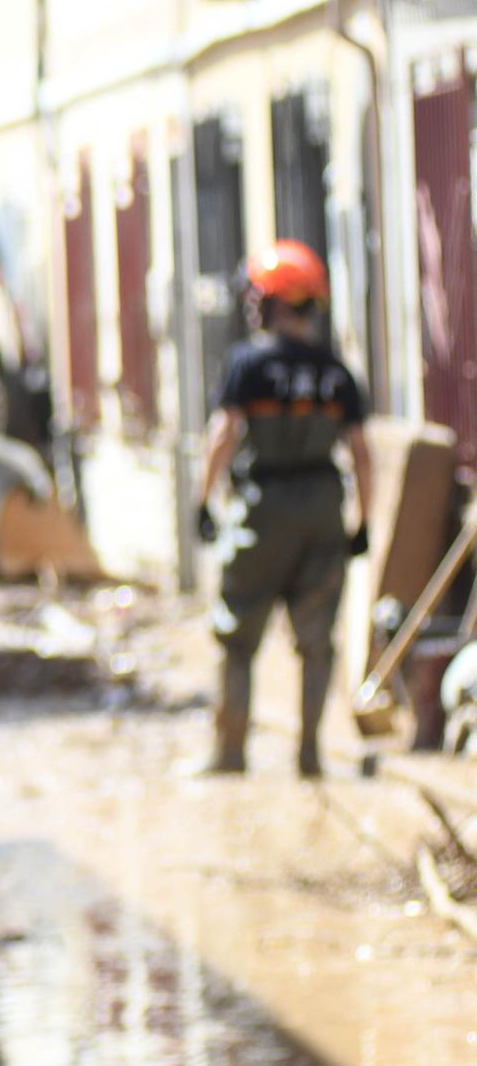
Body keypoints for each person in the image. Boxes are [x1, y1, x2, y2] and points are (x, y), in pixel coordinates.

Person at [195, 240, 373, 779]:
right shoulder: (337, 371)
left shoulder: (248, 364)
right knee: (316, 640)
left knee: (238, 634)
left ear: (275, 303)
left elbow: (224, 434)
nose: (252, 306)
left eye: (258, 296)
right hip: (323, 506)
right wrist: (363, 520)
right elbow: (362, 453)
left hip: (263, 508)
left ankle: (229, 756)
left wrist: (204, 499)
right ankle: (311, 756)